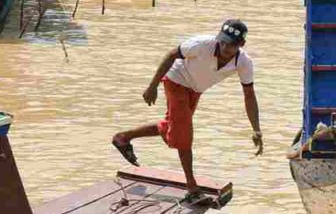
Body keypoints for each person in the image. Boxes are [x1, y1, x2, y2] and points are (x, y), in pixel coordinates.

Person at [111, 19, 263, 202]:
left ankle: (123, 137)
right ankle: (192, 188)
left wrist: (256, 129)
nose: (224, 47)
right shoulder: (202, 45)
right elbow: (172, 55)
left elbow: (249, 95)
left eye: (230, 45)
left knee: (174, 127)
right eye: (222, 41)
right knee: (184, 133)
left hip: (196, 90)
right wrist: (153, 86)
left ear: (241, 45)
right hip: (176, 80)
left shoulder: (244, 63)